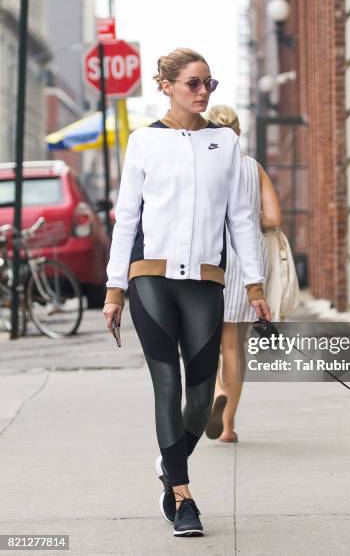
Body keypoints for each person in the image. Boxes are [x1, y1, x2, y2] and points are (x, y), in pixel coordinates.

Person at [102, 48, 271, 538]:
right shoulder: (143, 143)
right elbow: (126, 218)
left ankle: (170, 460)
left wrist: (255, 284)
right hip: (149, 278)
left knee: (200, 399)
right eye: (193, 83)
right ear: (167, 85)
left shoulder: (226, 143)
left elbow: (242, 219)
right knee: (167, 385)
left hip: (205, 280)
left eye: (208, 84)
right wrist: (115, 290)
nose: (202, 92)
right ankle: (182, 495)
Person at [204, 105, 282, 443]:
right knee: (235, 345)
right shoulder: (253, 168)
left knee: (207, 342)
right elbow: (273, 218)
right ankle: (228, 426)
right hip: (248, 259)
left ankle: (216, 389)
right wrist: (251, 215)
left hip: (210, 256)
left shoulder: (203, 168)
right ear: (238, 131)